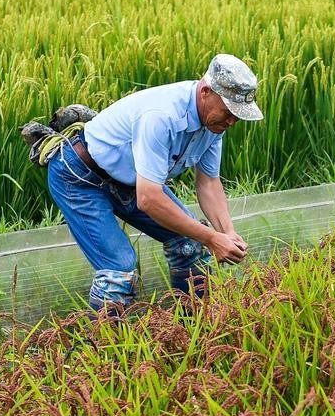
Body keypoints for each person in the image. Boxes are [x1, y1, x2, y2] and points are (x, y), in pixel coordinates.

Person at [22, 54, 262, 312]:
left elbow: (208, 184)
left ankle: (194, 337)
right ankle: (106, 352)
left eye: (237, 116)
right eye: (229, 112)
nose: (232, 122)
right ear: (205, 92)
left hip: (128, 179)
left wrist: (226, 231)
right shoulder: (161, 115)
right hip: (80, 175)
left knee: (190, 245)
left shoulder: (213, 125)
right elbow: (148, 199)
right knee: (119, 271)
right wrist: (211, 238)